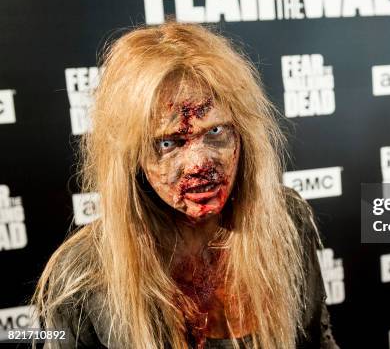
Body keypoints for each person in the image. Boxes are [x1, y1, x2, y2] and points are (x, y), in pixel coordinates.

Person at [32, 22, 340, 349]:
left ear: (243, 134)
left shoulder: (286, 220)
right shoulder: (81, 277)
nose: (199, 165)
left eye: (215, 132)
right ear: (130, 157)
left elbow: (316, 340)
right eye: (168, 144)